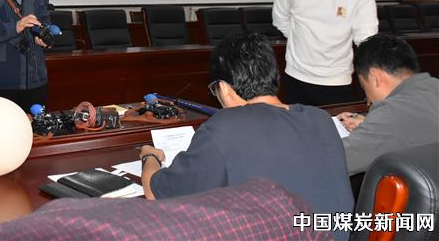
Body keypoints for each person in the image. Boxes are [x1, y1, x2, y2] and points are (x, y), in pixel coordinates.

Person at [139, 33, 354, 235]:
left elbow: (155, 193)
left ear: (224, 88)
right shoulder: (320, 119)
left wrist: (150, 156)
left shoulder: (226, 128)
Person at [273, 0, 377, 105]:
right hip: (297, 75)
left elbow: (366, 40)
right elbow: (280, 18)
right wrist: (300, 39)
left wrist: (371, 83)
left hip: (338, 80)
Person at [337, 33, 439, 175]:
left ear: (375, 77)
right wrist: (371, 124)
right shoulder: (434, 86)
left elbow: (333, 160)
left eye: (364, 87)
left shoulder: (391, 114)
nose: (368, 101)